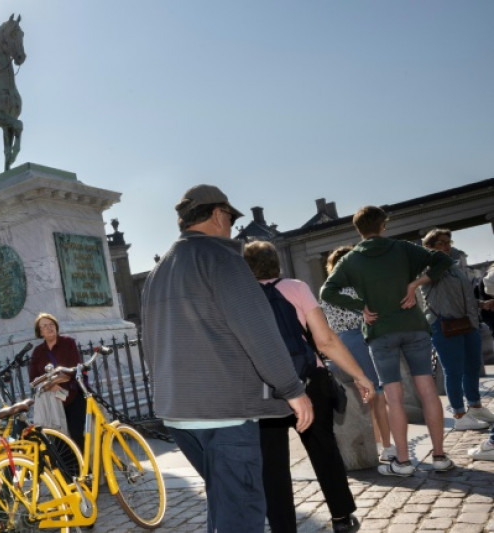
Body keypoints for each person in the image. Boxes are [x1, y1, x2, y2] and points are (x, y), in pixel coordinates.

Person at [141, 184, 313, 533]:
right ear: (218, 214)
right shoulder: (223, 258)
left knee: (225, 504)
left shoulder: (158, 273)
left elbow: (150, 346)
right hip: (225, 412)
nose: (232, 227)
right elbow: (258, 331)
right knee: (243, 511)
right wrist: (292, 388)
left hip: (178, 412)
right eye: (231, 219)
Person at [244, 241, 374, 533]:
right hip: (308, 380)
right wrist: (359, 375)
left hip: (266, 386)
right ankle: (341, 517)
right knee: (324, 449)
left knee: (272, 462)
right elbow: (325, 340)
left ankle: (282, 527)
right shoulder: (297, 287)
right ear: (275, 262)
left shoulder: (242, 297)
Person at [321, 205, 454, 476]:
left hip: (380, 331)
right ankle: (439, 456)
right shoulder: (403, 248)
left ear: (358, 230)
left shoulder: (350, 261)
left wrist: (361, 306)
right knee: (427, 390)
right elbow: (443, 261)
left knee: (392, 396)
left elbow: (328, 291)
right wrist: (415, 284)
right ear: (383, 225)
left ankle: (402, 462)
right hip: (413, 326)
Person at [320, 245, 395, 460]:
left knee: (365, 398)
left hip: (340, 346)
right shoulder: (360, 288)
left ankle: (378, 443)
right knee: (379, 395)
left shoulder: (326, 290)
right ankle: (388, 447)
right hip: (362, 340)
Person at [420, 229, 494, 430]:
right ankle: (459, 414)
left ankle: (475, 405)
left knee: (472, 365)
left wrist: (481, 304)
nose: (447, 246)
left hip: (467, 322)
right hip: (444, 324)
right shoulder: (429, 267)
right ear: (429, 247)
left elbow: (464, 296)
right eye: (441, 243)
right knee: (453, 371)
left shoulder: (455, 267)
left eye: (448, 242)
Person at [27, 313, 86, 450]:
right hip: (53, 401)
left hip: (72, 396)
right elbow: (33, 379)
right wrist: (50, 386)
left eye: (51, 325)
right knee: (60, 438)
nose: (49, 328)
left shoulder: (68, 343)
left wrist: (55, 381)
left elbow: (74, 368)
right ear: (40, 332)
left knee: (77, 434)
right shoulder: (38, 351)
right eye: (45, 326)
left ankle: (86, 468)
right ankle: (70, 470)